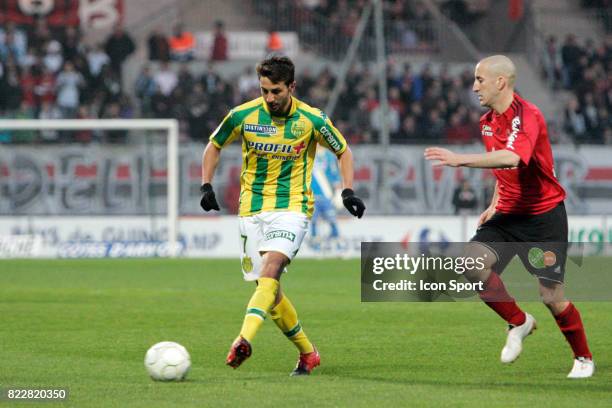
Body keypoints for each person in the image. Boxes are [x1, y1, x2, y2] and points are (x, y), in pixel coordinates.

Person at [424, 55, 594, 378]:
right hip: (508, 214)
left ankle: (583, 358)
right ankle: (518, 322)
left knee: (551, 296)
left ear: (501, 82)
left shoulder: (529, 115)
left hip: (543, 217)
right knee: (471, 262)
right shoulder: (487, 122)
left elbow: (513, 158)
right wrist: (494, 202)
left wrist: (459, 160)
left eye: (480, 80)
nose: (474, 87)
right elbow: (501, 169)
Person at [200, 55, 365, 375]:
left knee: (271, 271)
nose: (269, 98)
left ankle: (243, 339)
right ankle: (308, 353)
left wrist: (347, 191)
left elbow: (343, 150)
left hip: (293, 208)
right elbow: (214, 145)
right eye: (264, 91)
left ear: (292, 87)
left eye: (276, 91)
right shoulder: (243, 115)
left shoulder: (312, 120)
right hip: (251, 210)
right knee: (270, 292)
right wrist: (206, 185)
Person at [310, 145, 342, 250]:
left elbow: (334, 174)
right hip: (311, 195)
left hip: (326, 194)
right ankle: (315, 247)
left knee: (332, 220)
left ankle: (338, 244)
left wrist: (338, 192)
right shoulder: (308, 154)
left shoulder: (329, 156)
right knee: (314, 221)